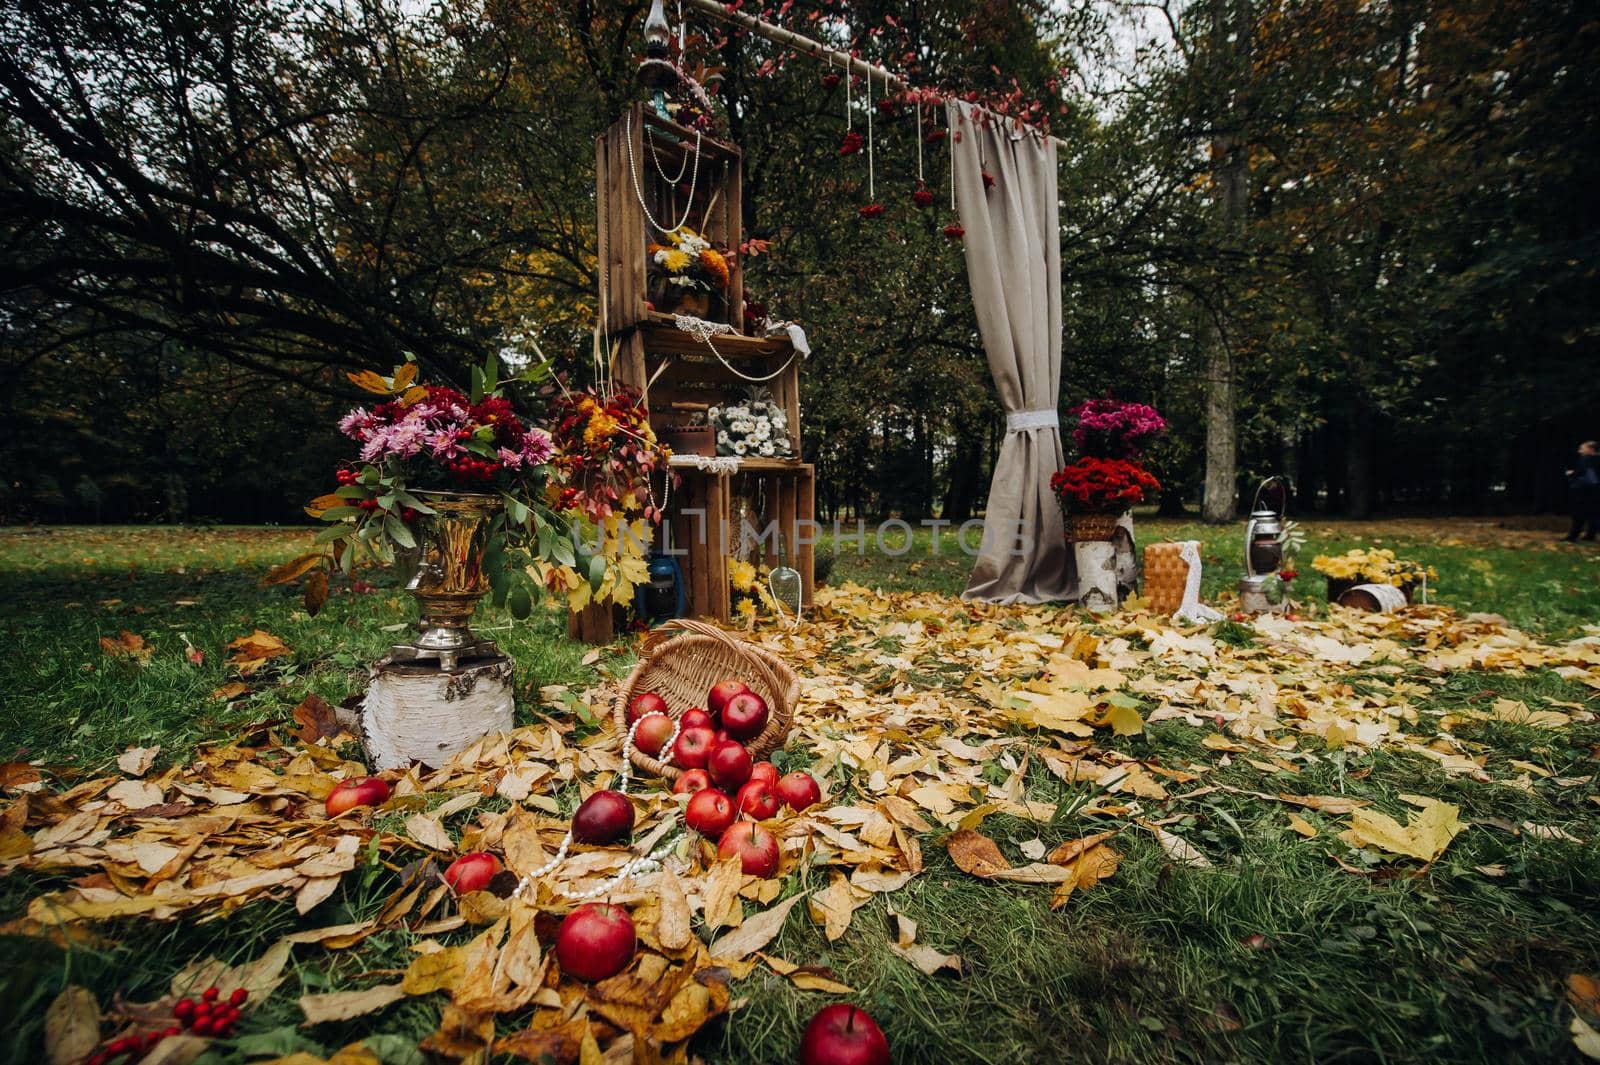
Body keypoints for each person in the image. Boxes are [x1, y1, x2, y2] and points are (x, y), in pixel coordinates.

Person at [1565, 440, 1600, 542]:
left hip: (1585, 491)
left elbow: (1581, 473)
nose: (1579, 451)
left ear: (1591, 449)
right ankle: (1590, 535)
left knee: (1578, 513)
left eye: (1582, 448)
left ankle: (1573, 536)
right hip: (1597, 491)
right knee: (1594, 513)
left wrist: (1571, 473)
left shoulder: (1586, 459)